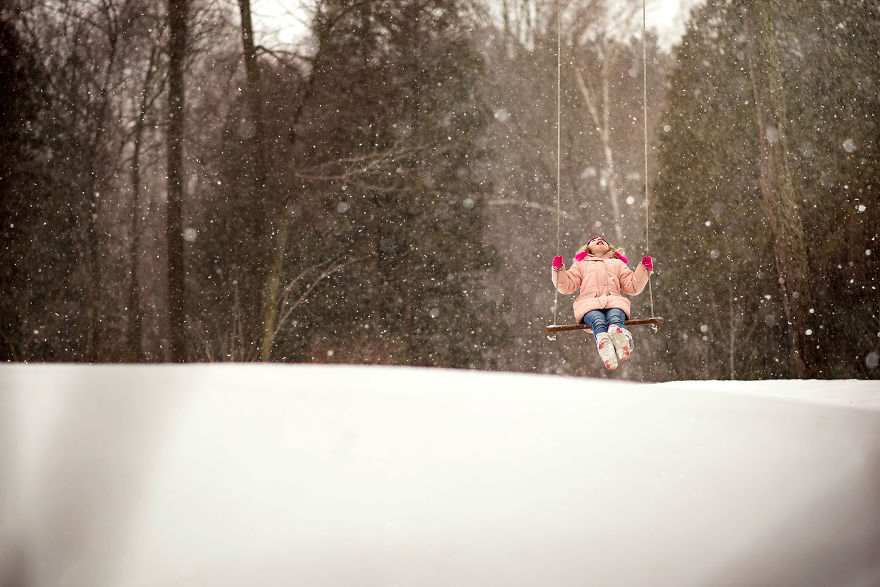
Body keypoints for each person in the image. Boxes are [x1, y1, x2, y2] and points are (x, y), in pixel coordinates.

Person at [552, 236, 653, 370]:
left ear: (609, 248)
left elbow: (633, 287)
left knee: (615, 317)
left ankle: (619, 336)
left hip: (614, 302)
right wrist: (558, 270)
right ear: (587, 248)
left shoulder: (618, 264)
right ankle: (604, 343)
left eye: (603, 240)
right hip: (589, 305)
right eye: (594, 240)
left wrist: (643, 270)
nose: (600, 239)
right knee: (598, 320)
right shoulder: (581, 264)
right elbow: (566, 286)